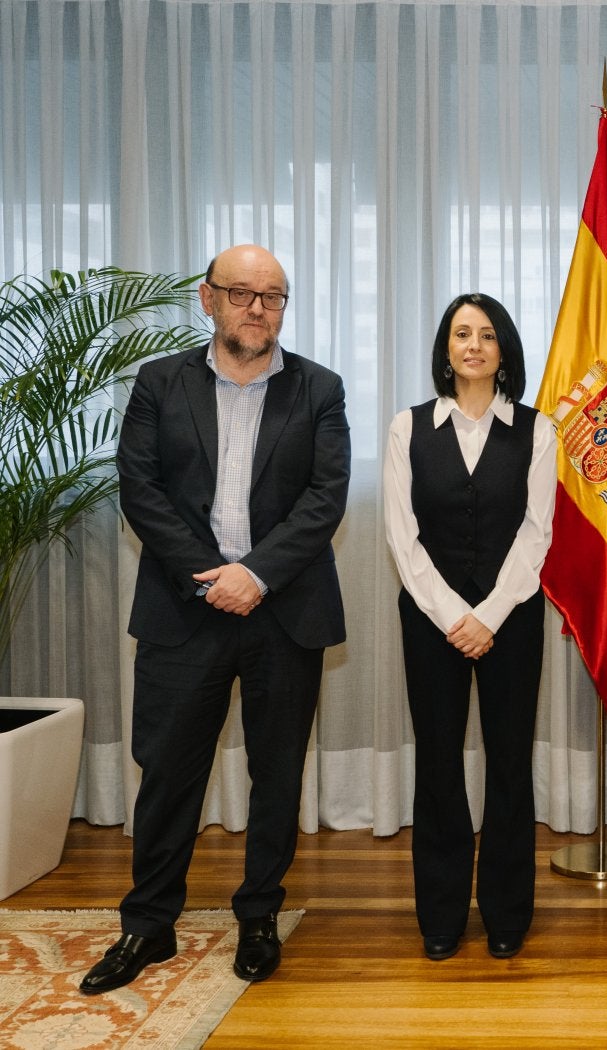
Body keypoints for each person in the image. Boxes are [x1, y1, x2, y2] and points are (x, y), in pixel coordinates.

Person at [81, 245, 350, 994]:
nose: (257, 308)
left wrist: (256, 575)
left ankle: (259, 914)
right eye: (240, 293)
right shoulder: (160, 383)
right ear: (208, 300)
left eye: (272, 296)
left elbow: (325, 500)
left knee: (275, 772)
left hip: (282, 609)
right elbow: (141, 490)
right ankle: (148, 924)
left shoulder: (319, 390)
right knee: (168, 772)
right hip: (184, 607)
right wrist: (212, 580)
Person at [383, 292, 556, 961]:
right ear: (446, 349)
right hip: (432, 622)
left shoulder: (537, 431)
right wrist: (454, 615)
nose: (475, 345)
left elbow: (536, 533)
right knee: (438, 764)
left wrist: (488, 615)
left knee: (510, 766)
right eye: (462, 333)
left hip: (512, 618)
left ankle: (508, 913)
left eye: (487, 334)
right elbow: (403, 536)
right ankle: (442, 917)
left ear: (503, 350)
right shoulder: (409, 427)